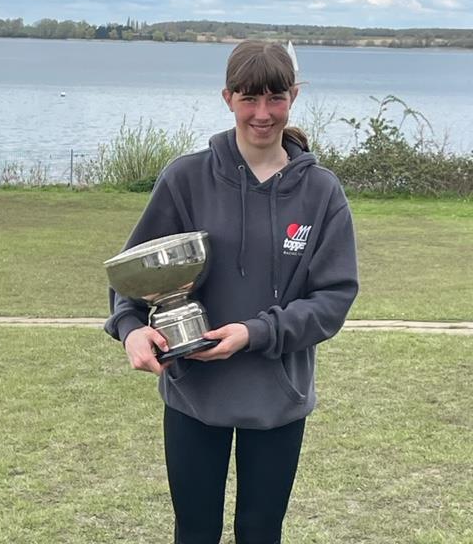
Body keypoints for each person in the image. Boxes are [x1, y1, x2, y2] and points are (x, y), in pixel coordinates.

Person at [105, 40, 359, 544]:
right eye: (248, 99)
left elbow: (333, 299)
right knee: (195, 531)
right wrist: (131, 330)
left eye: (275, 98)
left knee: (260, 532)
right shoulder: (186, 178)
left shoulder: (321, 191)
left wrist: (254, 332)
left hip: (277, 396)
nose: (262, 114)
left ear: (293, 96)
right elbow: (134, 276)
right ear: (227, 98)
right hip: (193, 394)